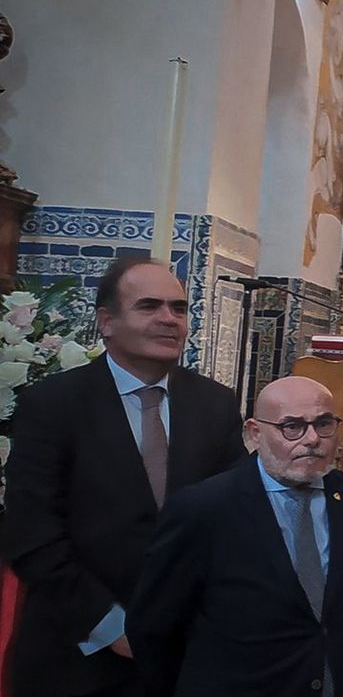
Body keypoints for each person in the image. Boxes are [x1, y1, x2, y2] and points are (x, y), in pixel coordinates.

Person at [2, 257, 245, 697]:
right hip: (76, 654)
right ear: (107, 321)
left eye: (178, 308)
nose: (168, 319)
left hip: (187, 654)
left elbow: (237, 520)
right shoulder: (53, 405)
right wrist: (110, 626)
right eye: (149, 306)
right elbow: (31, 534)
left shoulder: (215, 404)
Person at [126, 377, 343, 697]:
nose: (312, 439)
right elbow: (154, 626)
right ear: (255, 433)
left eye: (324, 423)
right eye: (292, 427)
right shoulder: (204, 508)